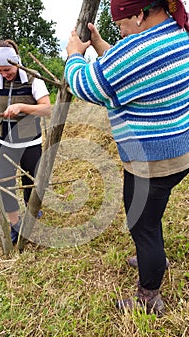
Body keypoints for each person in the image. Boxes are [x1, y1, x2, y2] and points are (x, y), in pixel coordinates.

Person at [65, 0, 189, 316]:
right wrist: (100, 45)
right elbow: (134, 73)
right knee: (151, 215)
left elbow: (86, 85)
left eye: (120, 26)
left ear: (138, 14)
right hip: (177, 152)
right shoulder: (178, 33)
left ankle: (149, 297)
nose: (120, 33)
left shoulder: (136, 48)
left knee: (141, 224)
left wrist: (74, 56)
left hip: (150, 161)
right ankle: (154, 257)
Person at [0, 39, 51, 245]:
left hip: (30, 141)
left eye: (7, 69)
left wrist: (22, 107)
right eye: (0, 70)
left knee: (31, 181)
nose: (4, 74)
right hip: (4, 141)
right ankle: (15, 224)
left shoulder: (33, 79)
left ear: (16, 62)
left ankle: (31, 214)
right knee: (4, 183)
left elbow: (47, 108)